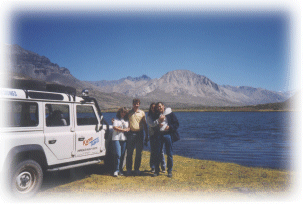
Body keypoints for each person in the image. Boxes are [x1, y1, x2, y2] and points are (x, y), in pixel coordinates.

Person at [153, 102, 179, 178]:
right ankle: (157, 171)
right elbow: (152, 125)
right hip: (159, 135)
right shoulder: (156, 115)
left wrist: (169, 127)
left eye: (160, 106)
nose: (159, 108)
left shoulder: (169, 113)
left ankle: (169, 171)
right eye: (157, 107)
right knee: (157, 153)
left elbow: (176, 124)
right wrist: (158, 125)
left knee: (169, 153)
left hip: (167, 134)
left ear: (163, 106)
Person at [126, 98, 148, 176]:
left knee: (139, 153)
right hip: (131, 134)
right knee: (129, 152)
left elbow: (145, 124)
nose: (136, 105)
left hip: (140, 134)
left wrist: (146, 135)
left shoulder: (142, 113)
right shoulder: (129, 112)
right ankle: (128, 169)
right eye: (135, 104)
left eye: (137, 104)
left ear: (139, 104)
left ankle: (136, 169)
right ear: (133, 104)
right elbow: (123, 120)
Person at [146, 103, 166, 173]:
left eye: (155, 107)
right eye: (152, 108)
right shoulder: (149, 116)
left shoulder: (160, 114)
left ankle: (163, 167)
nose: (154, 109)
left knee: (161, 151)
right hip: (152, 135)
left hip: (159, 135)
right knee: (153, 151)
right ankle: (153, 167)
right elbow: (151, 124)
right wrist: (158, 121)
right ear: (150, 108)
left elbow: (163, 122)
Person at [112, 107, 130, 177]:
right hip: (116, 138)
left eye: (124, 112)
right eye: (122, 112)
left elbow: (129, 128)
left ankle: (120, 170)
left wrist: (124, 129)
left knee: (122, 155)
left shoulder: (127, 120)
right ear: (119, 113)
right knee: (118, 154)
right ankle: (116, 170)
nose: (123, 113)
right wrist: (123, 130)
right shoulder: (116, 119)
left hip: (124, 139)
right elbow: (115, 127)